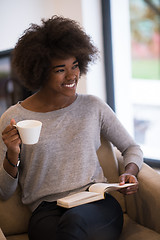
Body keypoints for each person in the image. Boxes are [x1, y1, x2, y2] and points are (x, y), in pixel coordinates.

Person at [0, 16, 143, 240]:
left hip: (97, 203)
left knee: (75, 223)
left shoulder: (93, 106)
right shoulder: (14, 118)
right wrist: (12, 154)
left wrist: (129, 172)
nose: (72, 76)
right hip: (46, 212)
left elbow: (132, 148)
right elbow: (4, 191)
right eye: (60, 70)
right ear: (39, 71)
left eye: (75, 66)